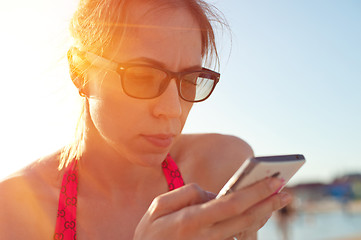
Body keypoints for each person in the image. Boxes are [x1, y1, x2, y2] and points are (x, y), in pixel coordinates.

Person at [0, 0, 292, 239]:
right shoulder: (15, 210)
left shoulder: (221, 166)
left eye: (190, 80)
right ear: (80, 71)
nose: (173, 109)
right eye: (142, 76)